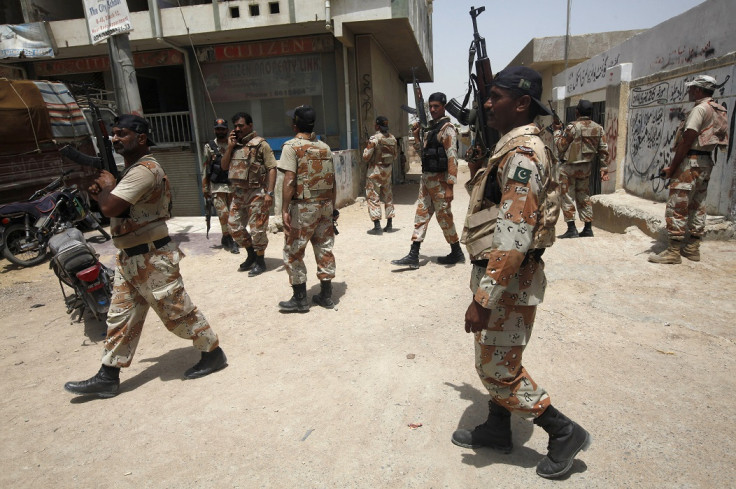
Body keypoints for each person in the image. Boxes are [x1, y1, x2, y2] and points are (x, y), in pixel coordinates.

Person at [451, 67, 590, 480]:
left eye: (496, 97)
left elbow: (513, 237)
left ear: (522, 102)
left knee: (497, 368)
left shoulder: (522, 155)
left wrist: (482, 300)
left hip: (507, 281)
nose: (487, 104)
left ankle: (563, 431)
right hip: (503, 276)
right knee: (498, 353)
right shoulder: (513, 147)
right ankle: (497, 428)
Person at [64, 115, 227, 398]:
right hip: (131, 259)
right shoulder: (130, 172)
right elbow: (121, 209)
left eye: (122, 134)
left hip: (152, 259)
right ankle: (108, 375)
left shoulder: (144, 170)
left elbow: (112, 208)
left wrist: (105, 191)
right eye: (113, 134)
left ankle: (212, 352)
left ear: (141, 138)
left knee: (176, 312)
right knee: (120, 317)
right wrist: (103, 192)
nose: (115, 139)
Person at [649, 74, 728, 264]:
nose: (689, 90)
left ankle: (673, 252)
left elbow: (688, 138)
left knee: (678, 206)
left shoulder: (700, 109)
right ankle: (693, 248)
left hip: (690, 162)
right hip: (706, 163)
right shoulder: (718, 109)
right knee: (698, 205)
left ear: (699, 90)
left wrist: (673, 167)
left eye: (692, 88)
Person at [391, 92, 464, 269]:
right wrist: (416, 137)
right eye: (430, 106)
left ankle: (456, 251)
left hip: (440, 182)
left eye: (436, 106)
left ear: (443, 107)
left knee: (444, 217)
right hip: (426, 181)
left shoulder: (447, 129)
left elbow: (452, 158)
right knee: (421, 216)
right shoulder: (431, 129)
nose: (432, 110)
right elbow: (422, 154)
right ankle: (414, 254)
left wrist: (450, 187)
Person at [277, 105, 337, 312]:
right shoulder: (324, 147)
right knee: (324, 248)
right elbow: (333, 181)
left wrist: (284, 209)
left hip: (303, 208)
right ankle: (326, 296)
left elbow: (290, 180)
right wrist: (333, 206)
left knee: (294, 251)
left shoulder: (291, 147)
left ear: (295, 124)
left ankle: (300, 299)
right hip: (325, 206)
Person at [221, 112, 278, 276]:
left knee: (257, 229)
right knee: (233, 226)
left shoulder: (261, 144)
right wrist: (230, 147)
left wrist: (269, 193)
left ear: (250, 126)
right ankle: (251, 254)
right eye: (236, 126)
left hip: (257, 192)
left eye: (241, 125)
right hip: (238, 193)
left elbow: (271, 168)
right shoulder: (233, 145)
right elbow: (224, 167)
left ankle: (260, 261)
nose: (238, 129)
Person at [553, 99, 609, 238]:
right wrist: (604, 168)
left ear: (577, 112)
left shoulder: (573, 127)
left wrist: (556, 132)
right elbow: (603, 149)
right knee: (584, 196)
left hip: (569, 168)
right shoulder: (598, 128)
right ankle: (587, 228)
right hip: (586, 168)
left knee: (567, 196)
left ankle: (571, 229)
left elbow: (561, 145)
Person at [202, 118, 239, 254]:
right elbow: (205, 168)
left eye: (223, 129)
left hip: (232, 186)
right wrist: (205, 188)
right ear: (214, 130)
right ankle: (228, 238)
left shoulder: (234, 145)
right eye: (218, 129)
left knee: (233, 215)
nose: (220, 131)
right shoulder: (209, 147)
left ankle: (230, 237)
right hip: (217, 186)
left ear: (227, 130)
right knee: (223, 214)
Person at [363, 116, 398, 235]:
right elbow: (395, 156)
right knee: (388, 196)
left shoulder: (374, 139)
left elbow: (366, 157)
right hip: (387, 170)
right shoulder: (393, 138)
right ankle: (389, 224)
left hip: (375, 171)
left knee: (373, 196)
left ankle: (377, 226)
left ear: (377, 126)